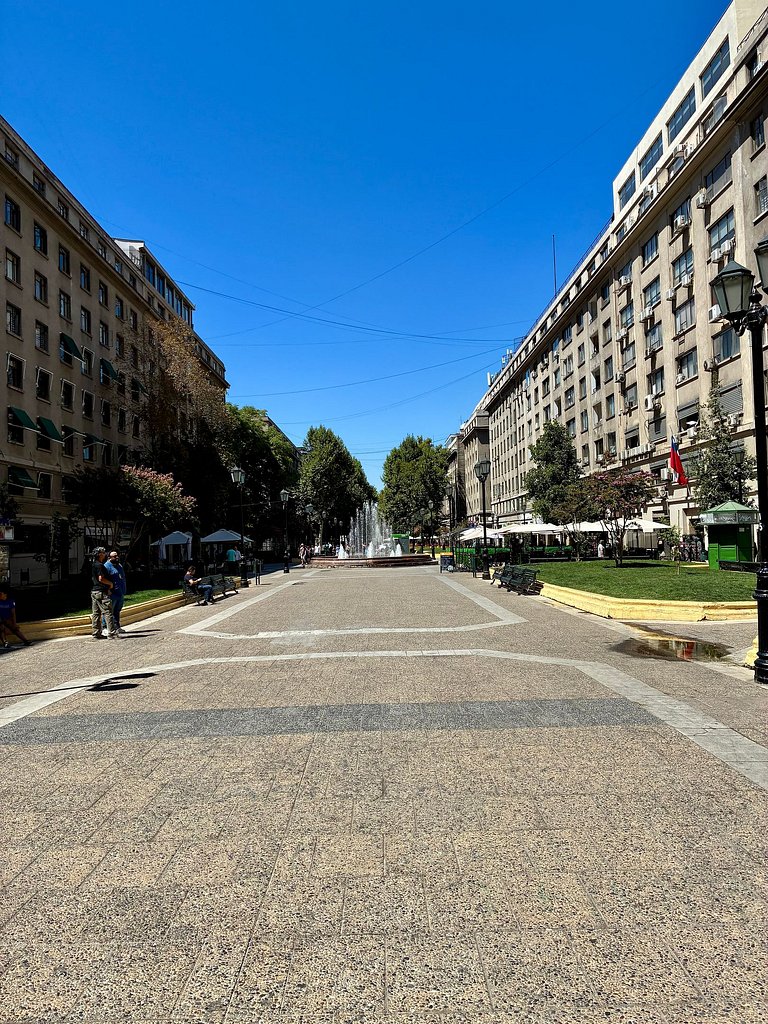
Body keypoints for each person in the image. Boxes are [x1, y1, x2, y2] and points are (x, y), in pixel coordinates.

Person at [91, 547, 119, 640]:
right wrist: (110, 584)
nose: (104, 554)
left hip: (94, 591)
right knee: (108, 612)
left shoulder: (93, 564)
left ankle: (96, 633)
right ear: (99, 554)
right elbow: (101, 578)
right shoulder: (100, 565)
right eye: (103, 552)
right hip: (102, 592)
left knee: (96, 613)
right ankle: (111, 633)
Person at [104, 550, 127, 634]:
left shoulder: (119, 566)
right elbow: (103, 579)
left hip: (120, 592)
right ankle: (105, 627)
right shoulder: (106, 566)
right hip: (112, 593)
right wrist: (108, 589)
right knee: (109, 611)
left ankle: (117, 627)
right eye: (114, 556)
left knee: (117, 610)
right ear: (109, 558)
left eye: (117, 555)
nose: (117, 557)